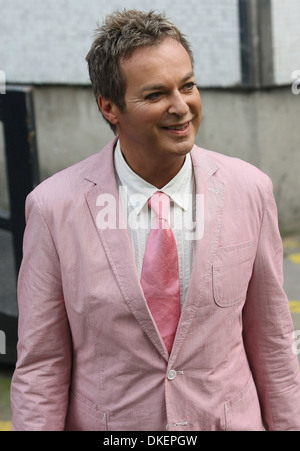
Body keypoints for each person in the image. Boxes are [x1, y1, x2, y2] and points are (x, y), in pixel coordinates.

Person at [11, 9, 300, 431]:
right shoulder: (53, 208)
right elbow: (41, 365)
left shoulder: (249, 190)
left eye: (188, 85)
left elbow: (273, 342)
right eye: (155, 94)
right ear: (110, 107)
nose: (181, 107)